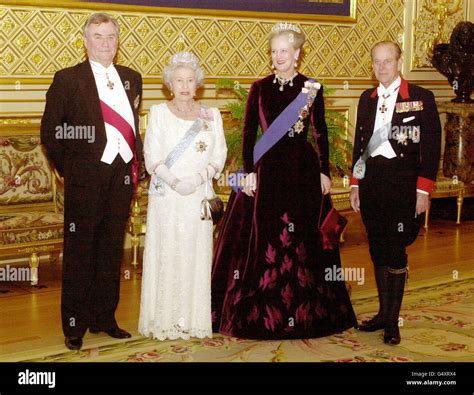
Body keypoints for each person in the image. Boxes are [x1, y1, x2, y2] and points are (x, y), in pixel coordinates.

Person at [211, 22, 357, 339]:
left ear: (297, 54)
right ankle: (262, 310)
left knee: (305, 236)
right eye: (274, 51)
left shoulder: (310, 88)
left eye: (284, 51)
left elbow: (319, 133)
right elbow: (250, 133)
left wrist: (323, 172)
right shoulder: (259, 88)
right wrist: (248, 172)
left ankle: (307, 313)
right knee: (264, 236)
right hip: (268, 171)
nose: (278, 56)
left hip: (303, 172)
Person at [41, 12, 143, 350]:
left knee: (111, 249)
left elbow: (133, 128)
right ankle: (74, 325)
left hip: (120, 177)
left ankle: (104, 318)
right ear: (85, 41)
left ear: (118, 41)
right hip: (85, 178)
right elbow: (52, 133)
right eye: (97, 36)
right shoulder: (68, 79)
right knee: (80, 251)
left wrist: (135, 166)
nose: (105, 43)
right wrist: (71, 169)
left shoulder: (132, 77)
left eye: (111, 36)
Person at [350, 41, 441, 344]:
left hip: (403, 186)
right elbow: (360, 145)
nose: (382, 67)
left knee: (395, 250)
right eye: (377, 61)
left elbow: (430, 150)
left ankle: (393, 322)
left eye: (388, 61)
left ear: (400, 62)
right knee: (377, 249)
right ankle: (382, 314)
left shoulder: (421, 98)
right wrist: (355, 183)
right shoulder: (366, 99)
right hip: (372, 184)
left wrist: (423, 191)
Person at [138, 52, 227, 341]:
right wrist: (176, 181)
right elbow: (151, 157)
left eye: (190, 80)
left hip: (198, 195)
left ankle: (192, 320)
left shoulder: (210, 115)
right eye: (179, 80)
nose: (185, 86)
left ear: (197, 84)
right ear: (170, 84)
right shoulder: (158, 113)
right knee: (168, 251)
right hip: (167, 194)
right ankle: (163, 320)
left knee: (196, 253)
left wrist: (197, 179)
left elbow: (219, 155)